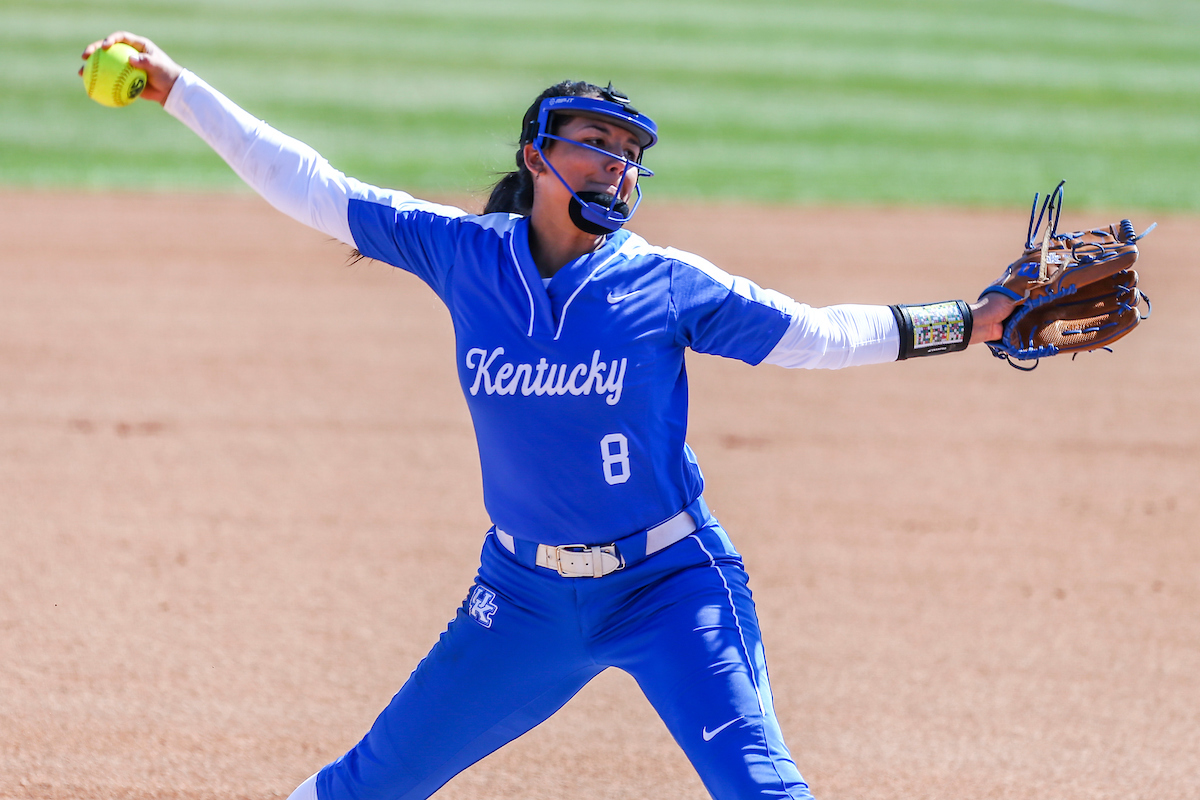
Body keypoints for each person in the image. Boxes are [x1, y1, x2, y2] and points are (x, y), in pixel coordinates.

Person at [81, 32, 1015, 800]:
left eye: (632, 157)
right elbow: (316, 188)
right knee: (367, 788)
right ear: (537, 156)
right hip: (522, 599)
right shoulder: (465, 255)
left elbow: (814, 334)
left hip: (672, 586)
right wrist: (179, 90)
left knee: (764, 791)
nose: (618, 169)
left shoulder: (665, 284)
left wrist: (967, 323)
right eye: (596, 146)